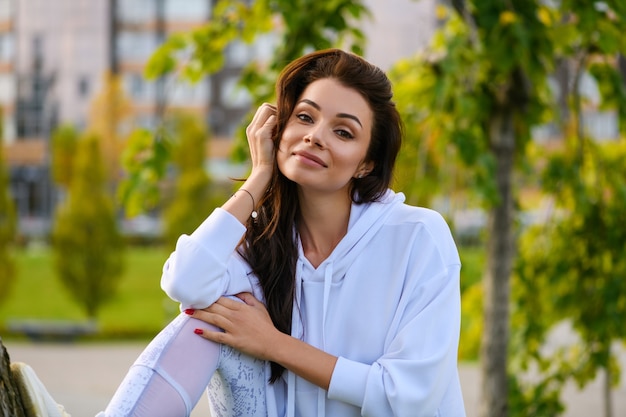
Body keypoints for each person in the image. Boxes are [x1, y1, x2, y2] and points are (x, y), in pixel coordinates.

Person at [99, 48, 465, 417]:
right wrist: (259, 177)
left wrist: (274, 344)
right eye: (305, 117)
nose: (315, 137)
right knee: (208, 319)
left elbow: (407, 396)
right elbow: (187, 284)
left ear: (366, 164)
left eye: (343, 131)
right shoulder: (266, 243)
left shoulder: (418, 237)